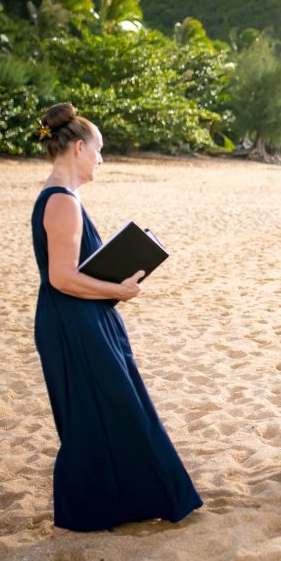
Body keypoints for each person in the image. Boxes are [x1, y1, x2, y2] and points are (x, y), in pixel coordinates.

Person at [30, 102, 202, 532]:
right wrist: (119, 289)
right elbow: (62, 278)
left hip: (83, 317)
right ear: (79, 149)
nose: (101, 160)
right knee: (105, 411)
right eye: (100, 150)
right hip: (74, 321)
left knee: (108, 409)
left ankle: (117, 503)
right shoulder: (62, 202)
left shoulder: (64, 198)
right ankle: (93, 508)